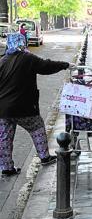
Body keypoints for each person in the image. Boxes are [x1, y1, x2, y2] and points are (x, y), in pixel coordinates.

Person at [0, 33, 74, 176]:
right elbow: (46, 66)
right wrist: (65, 65)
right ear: (22, 42)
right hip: (24, 107)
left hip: (3, 110)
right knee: (37, 128)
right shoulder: (27, 58)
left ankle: (7, 168)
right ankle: (44, 157)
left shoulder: (3, 60)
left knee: (4, 138)